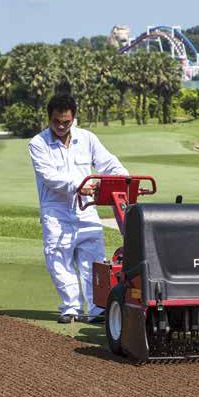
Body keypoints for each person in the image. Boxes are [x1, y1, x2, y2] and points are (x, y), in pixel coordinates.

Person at [29, 94, 128, 324]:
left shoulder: (87, 138)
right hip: (56, 211)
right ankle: (71, 307)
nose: (61, 126)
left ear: (73, 117)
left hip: (86, 208)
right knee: (58, 258)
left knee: (93, 260)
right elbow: (49, 177)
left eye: (66, 122)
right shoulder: (38, 143)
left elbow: (108, 163)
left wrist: (124, 178)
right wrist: (78, 185)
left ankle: (96, 309)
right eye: (56, 122)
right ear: (49, 118)